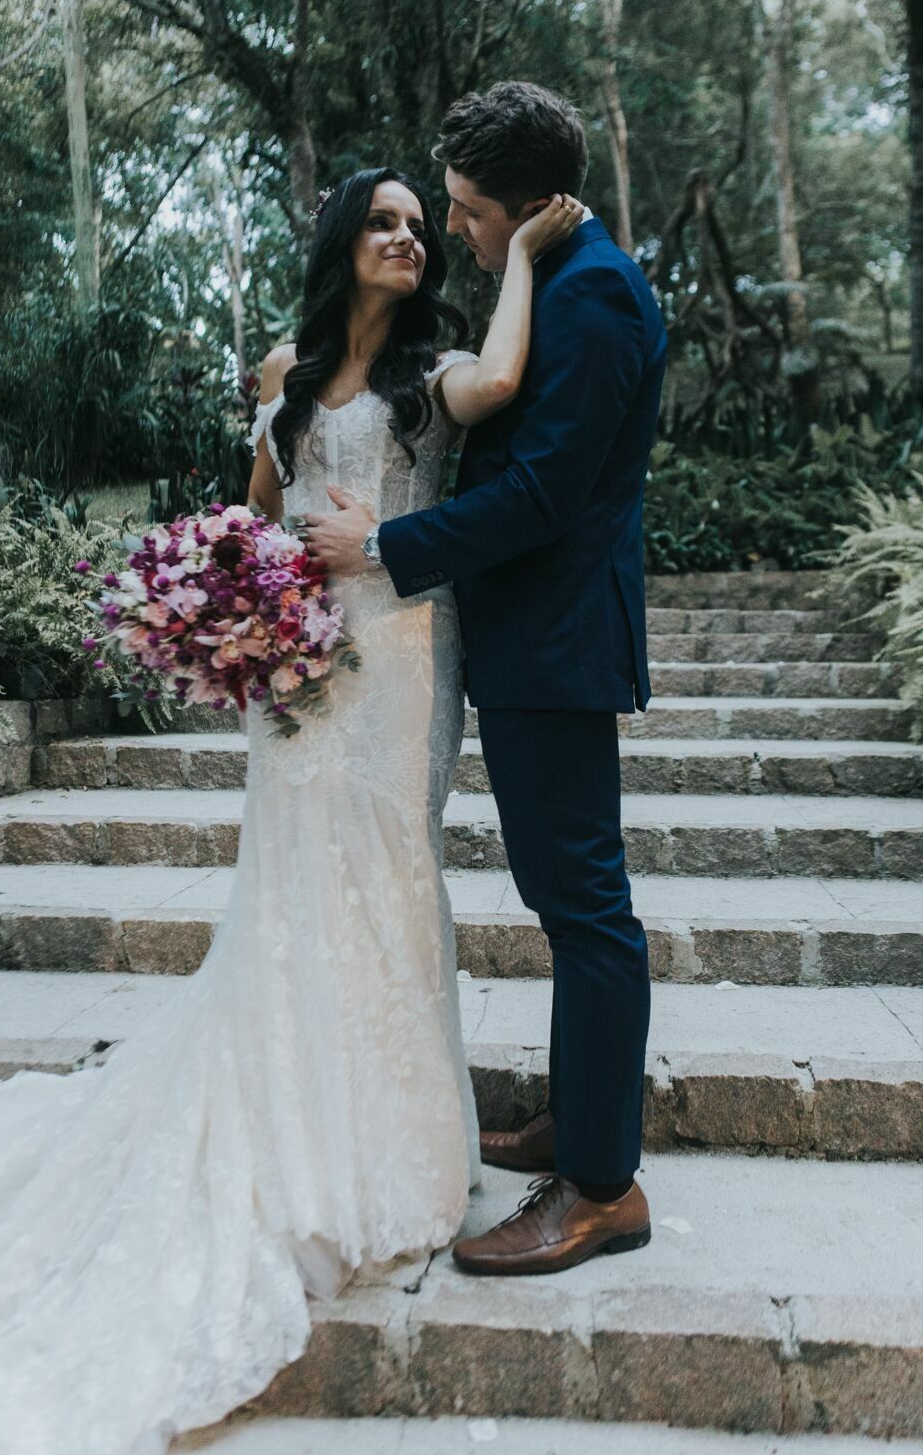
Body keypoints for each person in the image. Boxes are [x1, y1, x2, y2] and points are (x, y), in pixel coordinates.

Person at [0, 164, 582, 1455]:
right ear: (344, 239)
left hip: (404, 655)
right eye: (387, 222)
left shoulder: (435, 372)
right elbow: (254, 510)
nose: (409, 239)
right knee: (294, 888)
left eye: (422, 225)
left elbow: (509, 382)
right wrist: (238, 601)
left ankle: (392, 1142)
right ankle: (298, 1127)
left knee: (389, 871)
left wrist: (518, 250)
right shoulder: (282, 368)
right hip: (294, 663)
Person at [305, 81, 669, 1277]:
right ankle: (582, 1118)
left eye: (466, 211)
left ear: (527, 209)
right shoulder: (562, 276)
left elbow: (544, 494)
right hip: (531, 644)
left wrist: (392, 549)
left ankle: (602, 1187)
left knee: (585, 909)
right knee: (564, 898)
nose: (454, 230)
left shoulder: (598, 293)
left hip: (557, 648)